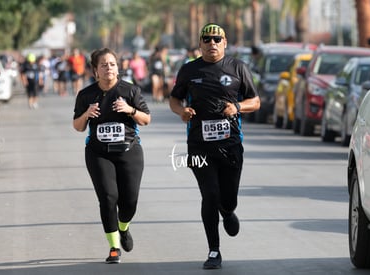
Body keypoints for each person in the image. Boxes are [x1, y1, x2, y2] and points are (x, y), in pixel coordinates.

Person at [169, 23, 260, 270]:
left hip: (231, 145)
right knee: (209, 195)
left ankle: (228, 212)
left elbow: (256, 101)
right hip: (199, 145)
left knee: (227, 198)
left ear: (225, 42)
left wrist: (238, 107)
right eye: (207, 39)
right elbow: (174, 99)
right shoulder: (189, 70)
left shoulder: (238, 68)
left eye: (217, 39)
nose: (212, 43)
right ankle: (213, 250)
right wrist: (182, 111)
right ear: (200, 44)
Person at [73, 47, 151, 264]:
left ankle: (123, 227)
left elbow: (146, 120)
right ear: (95, 70)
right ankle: (114, 246)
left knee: (130, 201)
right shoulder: (86, 95)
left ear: (118, 68)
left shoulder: (130, 91)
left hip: (129, 151)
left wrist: (130, 110)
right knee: (108, 198)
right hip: (98, 153)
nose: (109, 68)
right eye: (104, 65)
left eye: (112, 64)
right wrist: (86, 114)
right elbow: (78, 127)